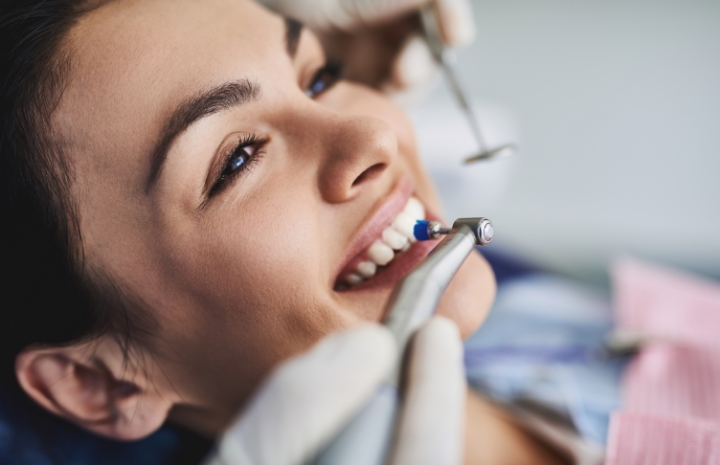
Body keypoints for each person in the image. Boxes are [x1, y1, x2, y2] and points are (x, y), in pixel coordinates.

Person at [0, 0, 586, 463]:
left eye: (321, 77)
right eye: (238, 160)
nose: (373, 138)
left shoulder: (557, 314)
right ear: (96, 383)